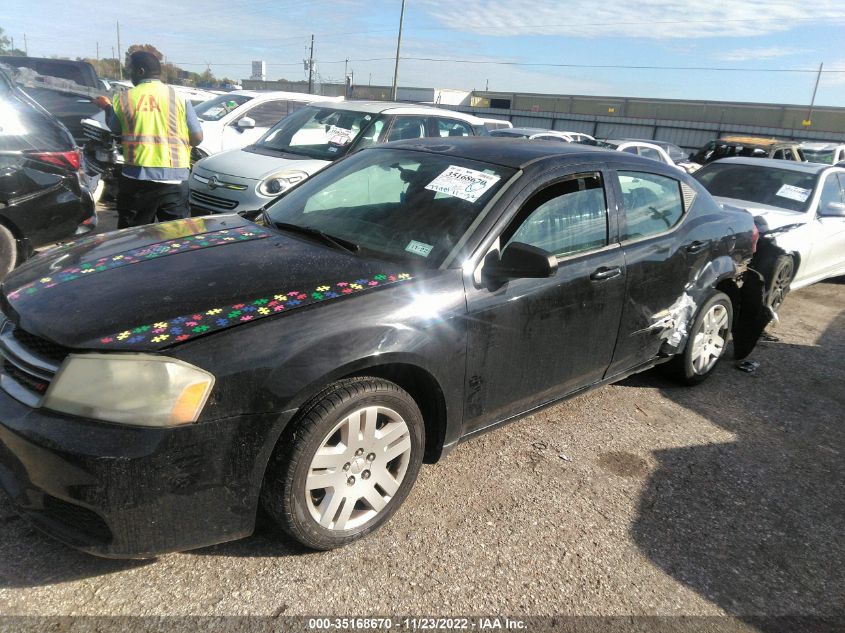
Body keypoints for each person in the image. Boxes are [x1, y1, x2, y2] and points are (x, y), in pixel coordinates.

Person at [94, 51, 203, 228]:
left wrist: (106, 107)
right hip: (174, 180)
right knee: (175, 238)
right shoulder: (179, 97)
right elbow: (197, 138)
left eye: (131, 72)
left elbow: (115, 128)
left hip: (136, 179)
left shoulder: (124, 98)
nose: (130, 77)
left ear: (141, 71)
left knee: (134, 238)